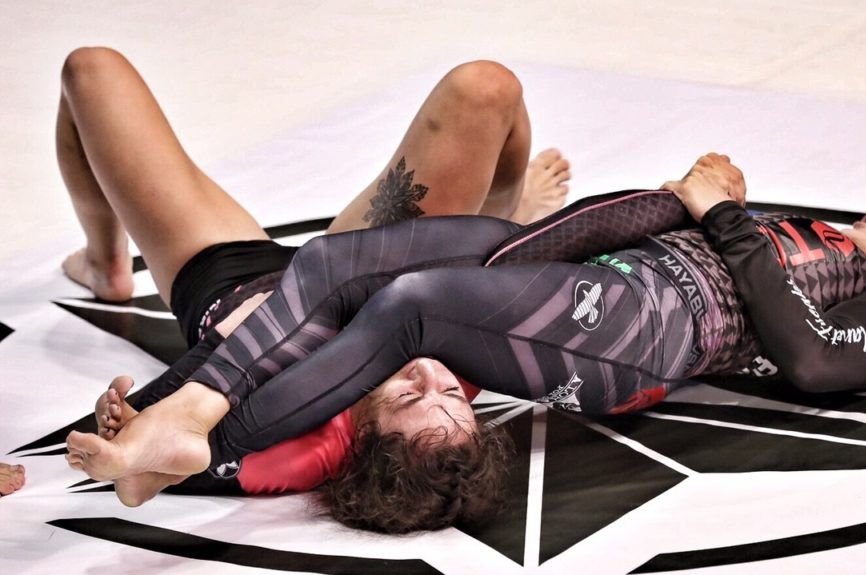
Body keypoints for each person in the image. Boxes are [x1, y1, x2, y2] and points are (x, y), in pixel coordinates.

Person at [66, 56, 866, 527]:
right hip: (607, 280)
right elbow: (647, 226)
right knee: (335, 264)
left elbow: (811, 358)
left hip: (649, 330)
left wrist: (720, 213)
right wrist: (549, 230)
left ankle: (206, 436)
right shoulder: (815, 240)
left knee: (408, 306)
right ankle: (181, 413)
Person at [54, 47, 570, 531]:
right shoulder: (455, 384)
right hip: (359, 265)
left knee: (90, 70)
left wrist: (129, 434)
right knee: (487, 88)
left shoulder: (296, 452)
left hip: (236, 279)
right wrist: (514, 242)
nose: (429, 370)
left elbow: (157, 455)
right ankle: (507, 218)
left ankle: (104, 264)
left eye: (408, 394)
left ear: (361, 439)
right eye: (454, 393)